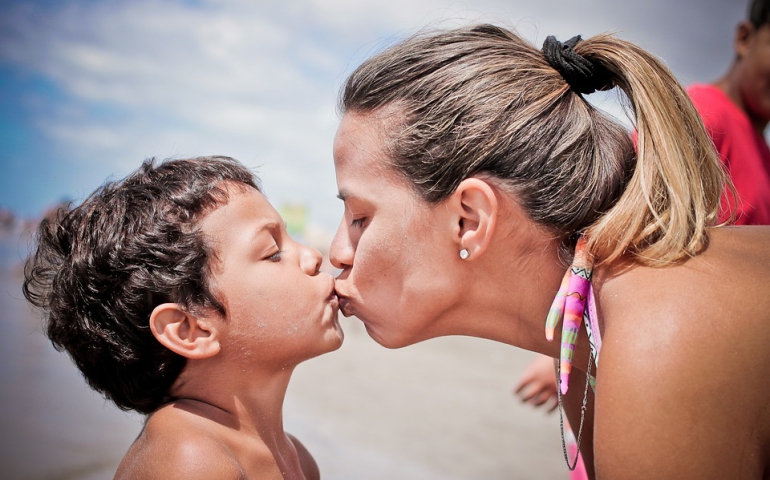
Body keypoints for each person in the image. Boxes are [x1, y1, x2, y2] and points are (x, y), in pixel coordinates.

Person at [329, 22, 770, 479]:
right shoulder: (588, 351)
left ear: (469, 220)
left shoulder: (660, 339)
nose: (337, 253)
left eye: (360, 218)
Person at [23, 156, 343, 479]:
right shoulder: (191, 461)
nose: (313, 256)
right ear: (190, 329)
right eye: (272, 252)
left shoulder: (299, 460)